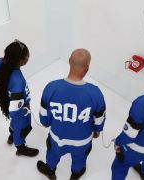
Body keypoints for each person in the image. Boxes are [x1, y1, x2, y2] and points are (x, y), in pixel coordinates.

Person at [36, 49, 106, 180]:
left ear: (69, 62)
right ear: (87, 68)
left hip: (57, 138)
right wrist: (97, 131)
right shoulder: (95, 93)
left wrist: (46, 123)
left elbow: (43, 115)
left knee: (52, 154)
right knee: (80, 158)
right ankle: (76, 173)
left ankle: (50, 170)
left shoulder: (51, 87)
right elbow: (99, 119)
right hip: (82, 141)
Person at [0, 39, 39, 157]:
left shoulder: (0, 62)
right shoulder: (18, 82)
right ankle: (20, 147)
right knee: (24, 128)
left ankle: (12, 134)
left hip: (11, 102)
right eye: (27, 56)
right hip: (19, 111)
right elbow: (14, 110)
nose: (28, 58)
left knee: (15, 124)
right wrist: (24, 111)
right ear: (21, 60)